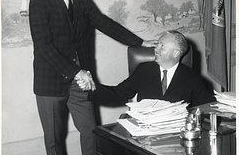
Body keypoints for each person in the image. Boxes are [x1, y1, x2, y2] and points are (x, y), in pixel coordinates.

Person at [29, 0, 157, 155]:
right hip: (51, 83)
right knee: (53, 138)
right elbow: (44, 47)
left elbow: (107, 24)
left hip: (81, 83)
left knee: (90, 131)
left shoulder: (83, 3)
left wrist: (141, 42)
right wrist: (77, 72)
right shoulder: (39, 2)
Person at [80, 30, 216, 108]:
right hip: (146, 131)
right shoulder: (144, 70)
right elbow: (119, 93)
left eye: (162, 46)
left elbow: (206, 107)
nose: (156, 48)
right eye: (157, 44)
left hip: (176, 133)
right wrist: (93, 87)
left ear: (175, 53)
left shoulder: (191, 78)